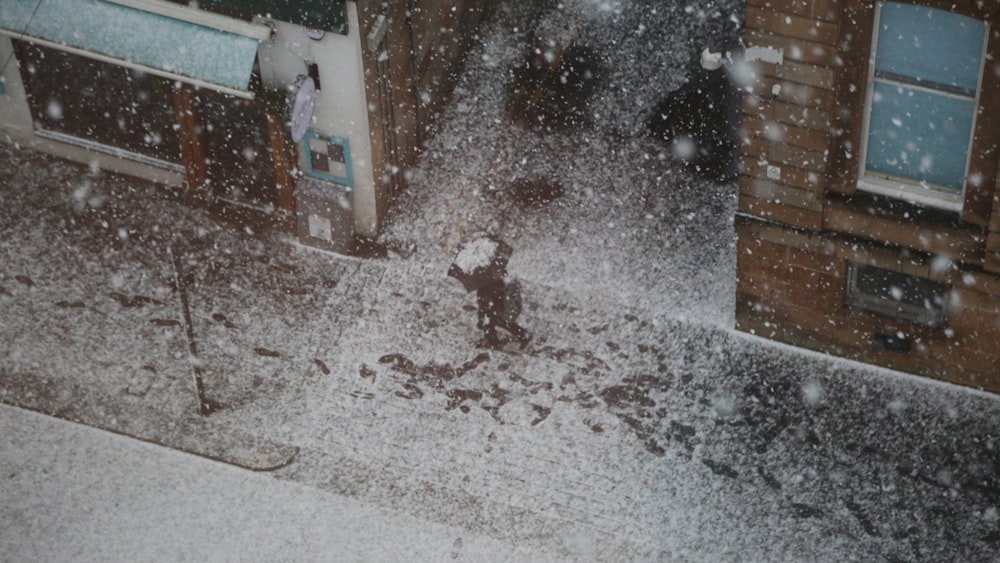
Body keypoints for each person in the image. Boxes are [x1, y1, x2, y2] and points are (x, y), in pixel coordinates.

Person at [476, 278, 530, 348]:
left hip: (492, 307)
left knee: (491, 324)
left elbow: (484, 301)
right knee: (500, 322)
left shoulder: (486, 285)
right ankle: (522, 334)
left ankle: (494, 343)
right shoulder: (493, 280)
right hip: (494, 307)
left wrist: (483, 314)